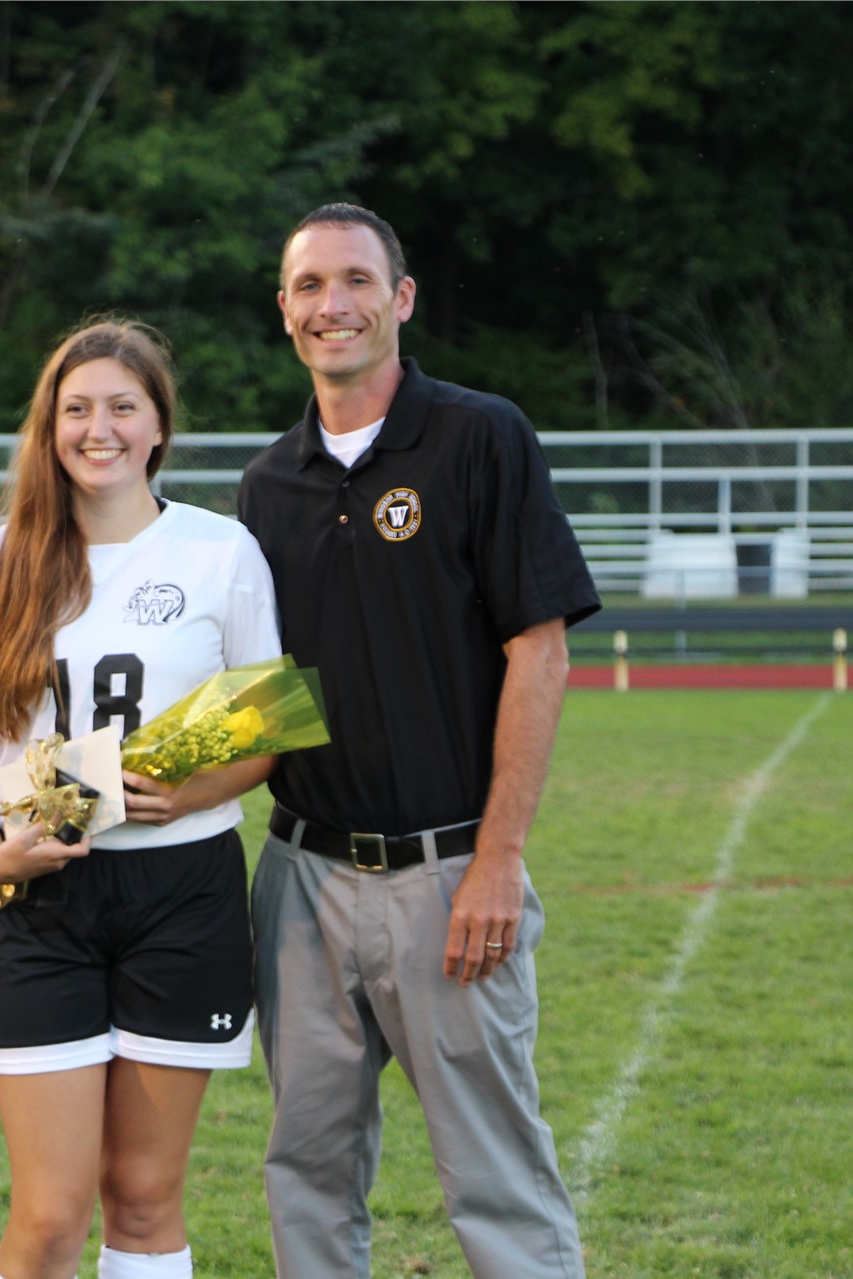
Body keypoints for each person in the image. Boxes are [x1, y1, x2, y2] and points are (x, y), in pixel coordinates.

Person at [236, 203, 600, 1279]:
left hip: (451, 875)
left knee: (493, 1173)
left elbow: (540, 654)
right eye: (308, 286)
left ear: (400, 299)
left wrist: (498, 857)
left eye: (355, 280)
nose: (331, 304)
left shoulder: (480, 436)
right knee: (305, 1165)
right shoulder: (267, 485)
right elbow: (263, 700)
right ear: (285, 313)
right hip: (300, 875)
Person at [0, 319, 282, 1279]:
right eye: (76, 408)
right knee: (48, 1216)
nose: (100, 428)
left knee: (143, 1196)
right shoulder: (1, 558)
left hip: (185, 893)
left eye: (123, 406)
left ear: (159, 425)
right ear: (49, 429)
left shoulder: (223, 551)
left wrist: (196, 786)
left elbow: (268, 734)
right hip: (43, 898)